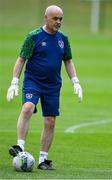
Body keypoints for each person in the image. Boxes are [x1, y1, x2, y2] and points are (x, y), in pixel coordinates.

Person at [6, 5, 83, 170]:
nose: (58, 22)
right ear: (46, 18)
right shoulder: (33, 37)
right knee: (27, 108)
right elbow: (21, 59)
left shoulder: (63, 39)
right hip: (33, 81)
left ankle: (42, 160)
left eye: (61, 19)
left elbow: (68, 60)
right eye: (55, 18)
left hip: (52, 86)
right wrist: (14, 82)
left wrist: (75, 81)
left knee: (50, 121)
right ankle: (20, 147)